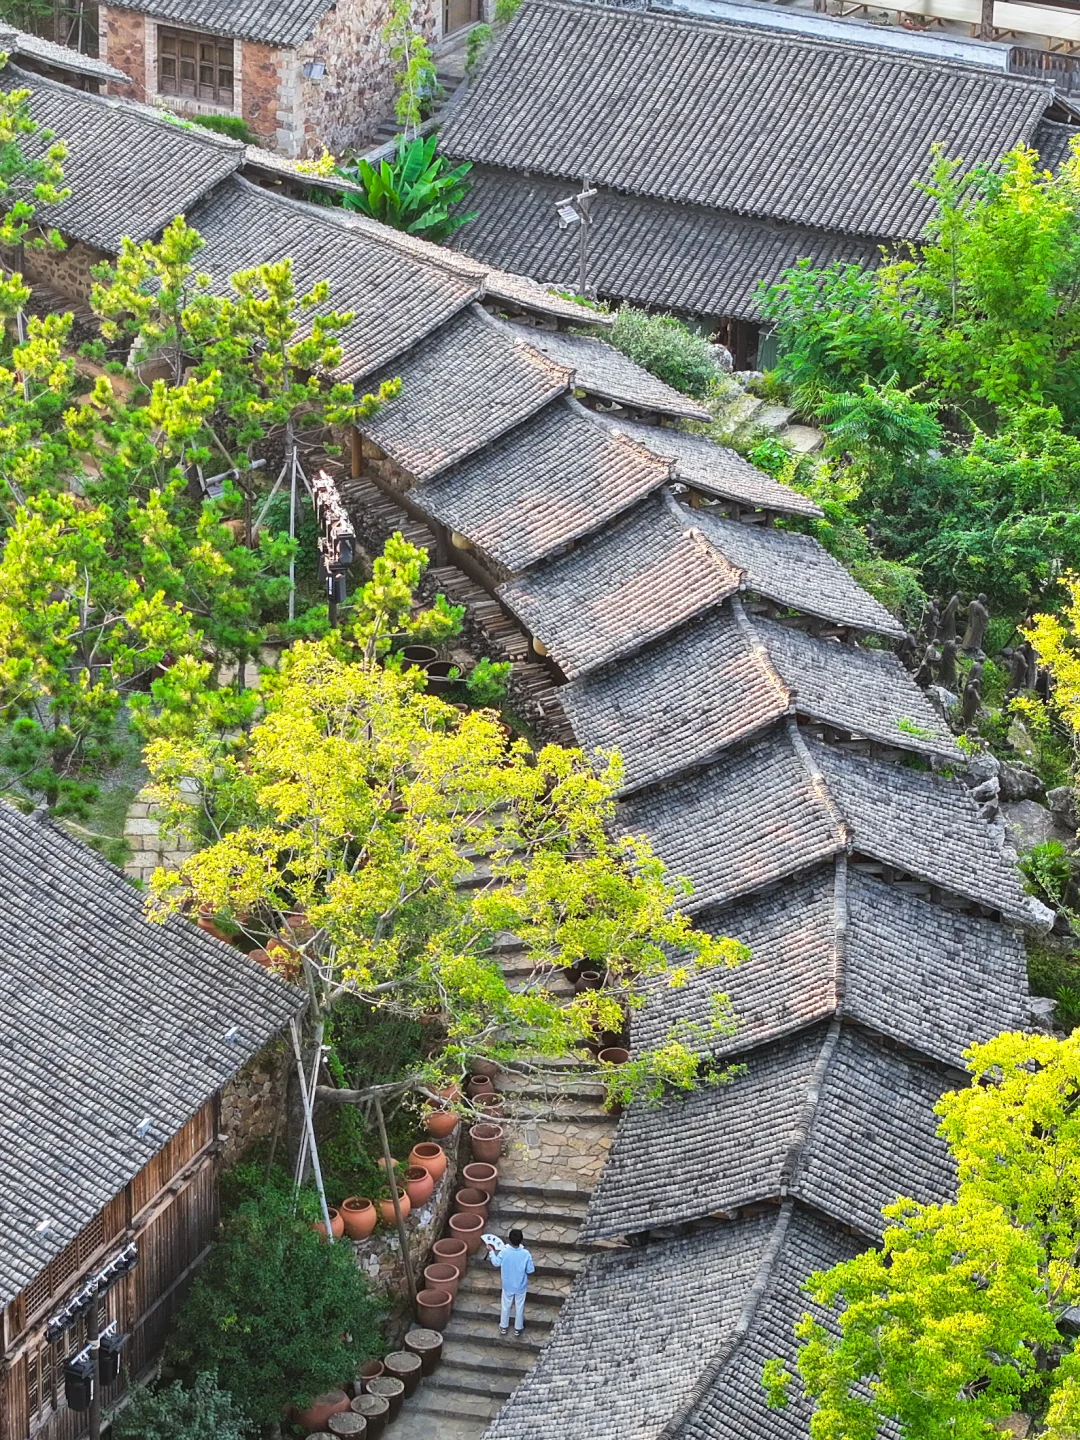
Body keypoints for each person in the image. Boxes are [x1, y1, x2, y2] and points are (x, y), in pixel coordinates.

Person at [486, 1228, 535, 1337]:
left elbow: (496, 1263)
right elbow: (530, 1270)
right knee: (520, 1306)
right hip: (521, 1286)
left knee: (505, 1305)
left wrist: (491, 1252)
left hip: (507, 1285)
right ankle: (518, 1328)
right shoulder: (526, 1254)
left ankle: (503, 1326)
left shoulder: (504, 1251)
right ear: (521, 1239)